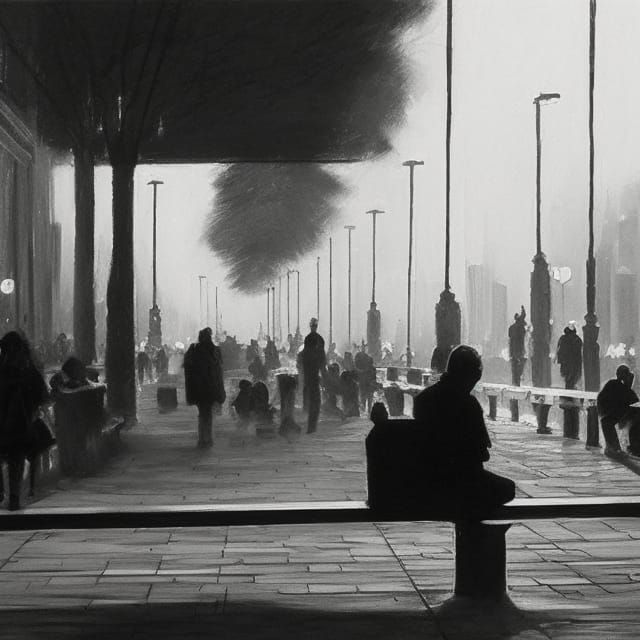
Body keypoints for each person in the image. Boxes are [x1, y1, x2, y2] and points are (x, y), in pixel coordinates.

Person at [412, 345, 515, 516]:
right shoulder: (468, 404)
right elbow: (482, 454)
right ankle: (473, 528)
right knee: (507, 489)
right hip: (463, 480)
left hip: (429, 478)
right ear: (468, 376)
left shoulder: (423, 399)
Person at [0, 332, 49, 510]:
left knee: (12, 458)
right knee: (16, 461)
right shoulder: (28, 369)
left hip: (7, 423)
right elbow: (42, 396)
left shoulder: (5, 369)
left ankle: (5, 493)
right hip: (21, 425)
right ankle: (13, 497)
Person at [183, 328, 226, 448]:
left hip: (198, 388)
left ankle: (203, 438)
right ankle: (207, 438)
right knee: (207, 414)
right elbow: (219, 372)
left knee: (203, 413)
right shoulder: (215, 350)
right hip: (211, 387)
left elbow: (187, 367)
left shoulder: (194, 350)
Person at [597, 365, 639, 459]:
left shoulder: (614, 384)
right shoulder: (615, 385)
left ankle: (615, 448)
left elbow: (633, 401)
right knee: (607, 422)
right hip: (613, 412)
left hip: (617, 413)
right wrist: (628, 385)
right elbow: (632, 399)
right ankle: (615, 448)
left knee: (607, 422)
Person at [299, 318, 326, 433]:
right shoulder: (318, 339)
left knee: (310, 399)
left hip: (309, 373)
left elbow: (306, 356)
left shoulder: (310, 339)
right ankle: (311, 426)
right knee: (314, 400)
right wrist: (323, 373)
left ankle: (310, 425)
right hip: (313, 373)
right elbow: (321, 357)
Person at [556, 324, 583, 390]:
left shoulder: (563, 338)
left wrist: (560, 359)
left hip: (566, 361)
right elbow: (580, 350)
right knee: (572, 375)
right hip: (574, 361)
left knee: (567, 376)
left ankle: (569, 387)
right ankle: (570, 387)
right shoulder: (577, 339)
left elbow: (559, 349)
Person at [508, 306, 527, 386]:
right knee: (519, 366)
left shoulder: (511, 328)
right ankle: (517, 380)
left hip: (513, 350)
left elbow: (509, 337)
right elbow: (523, 316)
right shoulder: (521, 328)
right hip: (519, 349)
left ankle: (515, 381)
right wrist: (523, 310)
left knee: (514, 367)